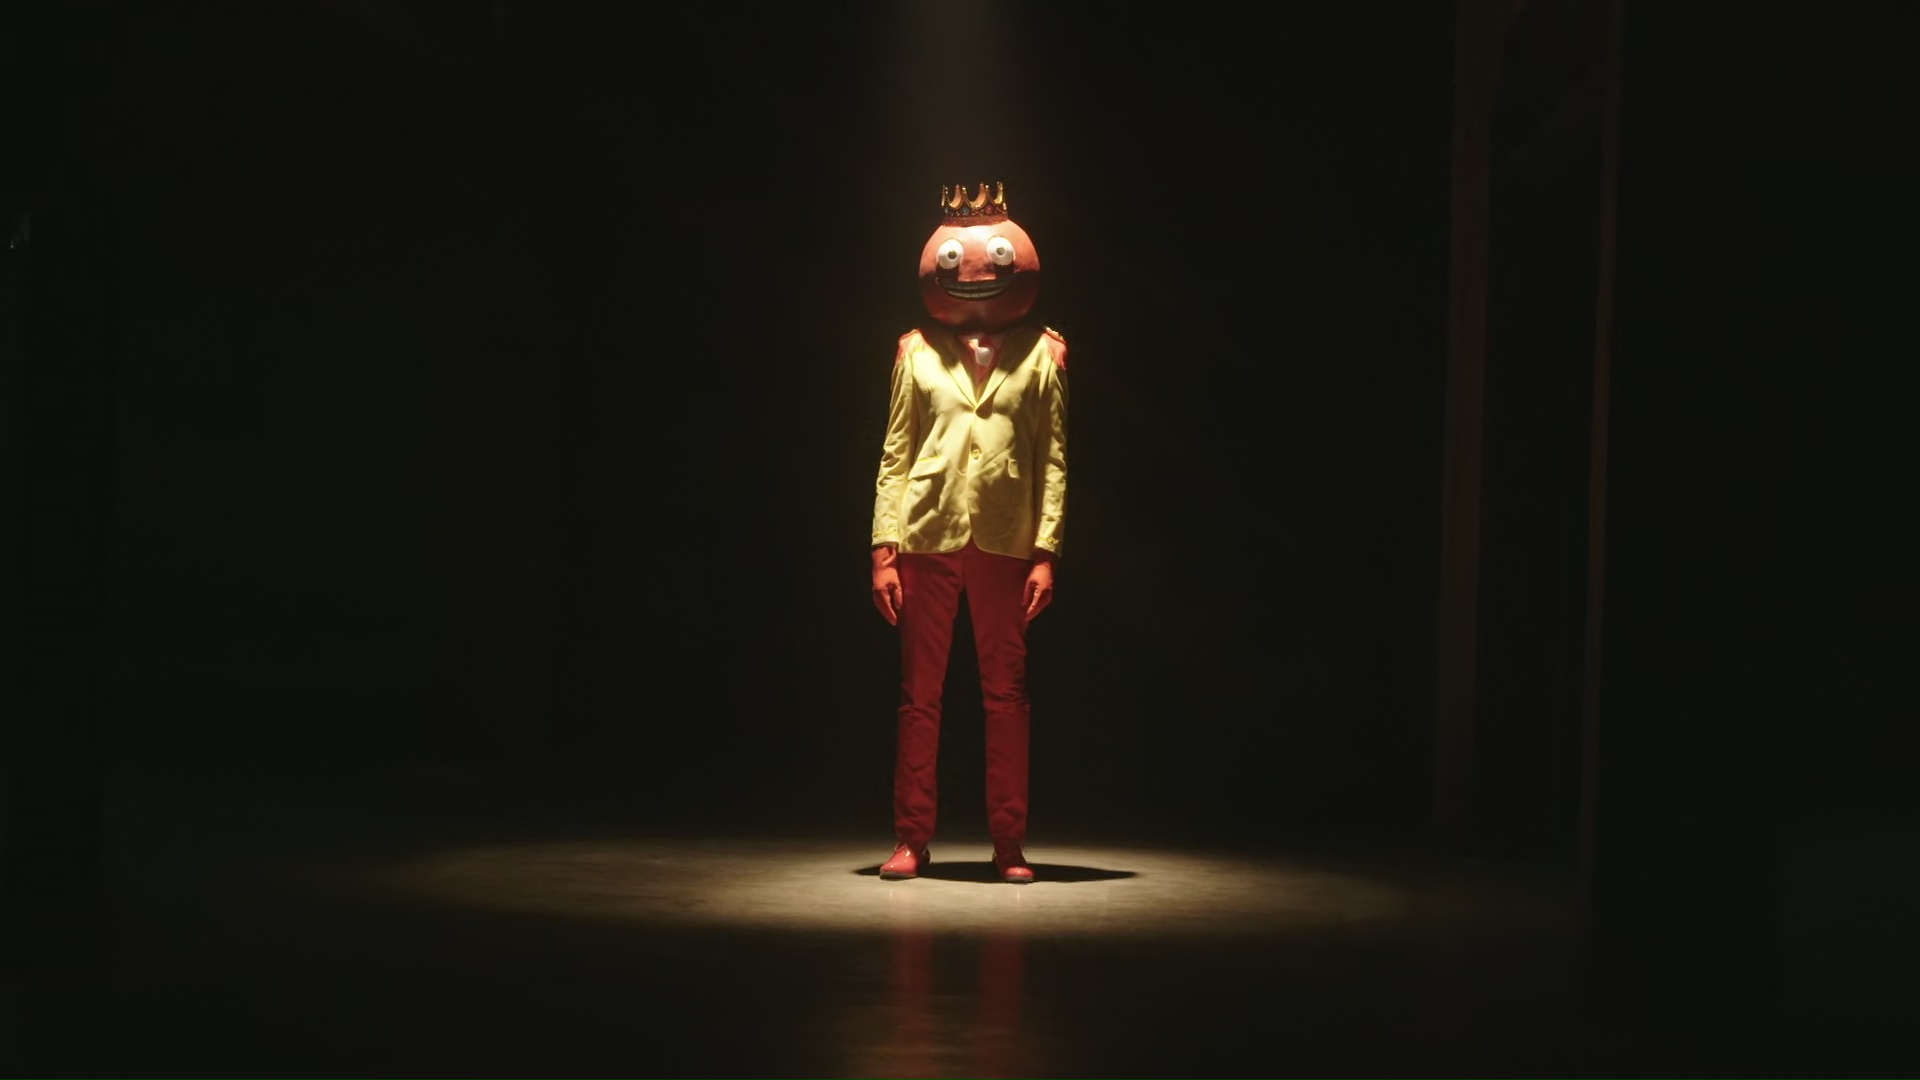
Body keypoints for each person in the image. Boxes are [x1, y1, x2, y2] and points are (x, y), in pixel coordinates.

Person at [869, 181, 1067, 884]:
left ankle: (1009, 843)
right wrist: (883, 549)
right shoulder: (916, 350)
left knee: (1005, 696)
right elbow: (896, 453)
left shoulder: (1043, 354)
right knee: (919, 695)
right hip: (927, 533)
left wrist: (1046, 550)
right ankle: (911, 838)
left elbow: (1052, 457)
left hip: (1006, 539)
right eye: (957, 258)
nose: (976, 270)